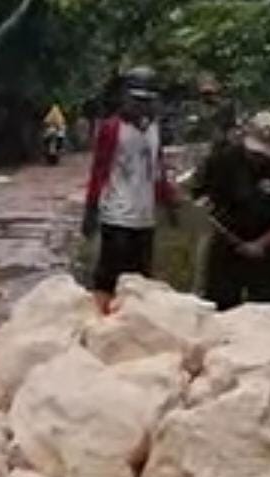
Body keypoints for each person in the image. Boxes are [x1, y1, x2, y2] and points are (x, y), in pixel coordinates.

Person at [192, 110, 270, 311]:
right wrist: (204, 209)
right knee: (218, 305)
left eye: (262, 154)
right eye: (253, 153)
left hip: (267, 248)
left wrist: (262, 244)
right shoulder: (223, 162)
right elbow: (202, 196)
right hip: (227, 244)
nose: (257, 158)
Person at [82, 66, 178, 313]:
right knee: (108, 275)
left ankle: (131, 322)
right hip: (117, 215)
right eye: (135, 100)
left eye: (146, 102)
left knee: (140, 278)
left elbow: (157, 170)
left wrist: (168, 203)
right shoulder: (112, 129)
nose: (141, 106)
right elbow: (99, 171)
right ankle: (101, 319)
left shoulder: (154, 130)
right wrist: (90, 211)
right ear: (124, 98)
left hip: (145, 218)